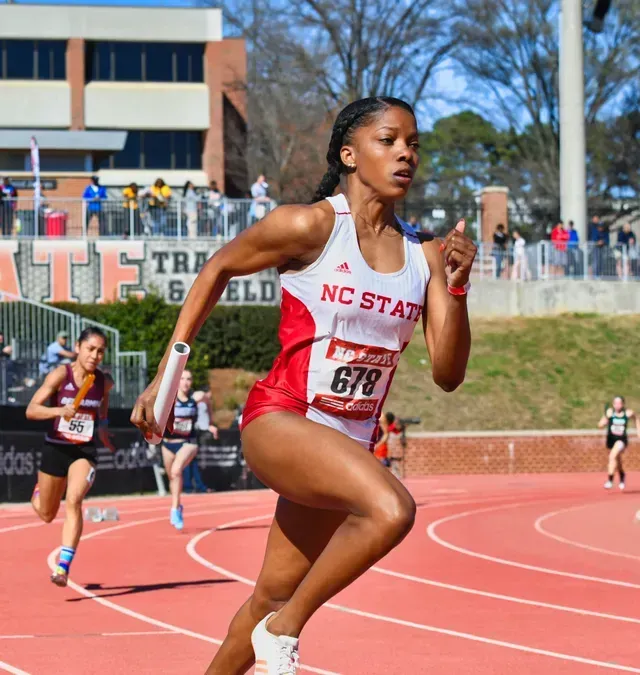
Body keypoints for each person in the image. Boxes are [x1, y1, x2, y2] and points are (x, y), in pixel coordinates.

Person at [131, 96, 476, 674]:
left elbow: (447, 374)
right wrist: (168, 374)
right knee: (392, 509)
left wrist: (460, 290)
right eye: (388, 140)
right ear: (349, 153)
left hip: (345, 442)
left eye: (413, 144)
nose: (405, 154)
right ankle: (285, 634)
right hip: (282, 419)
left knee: (270, 593)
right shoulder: (310, 225)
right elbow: (216, 268)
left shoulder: (427, 257)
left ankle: (271, 625)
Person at [26, 327, 114, 587]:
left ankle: (62, 568)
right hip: (56, 447)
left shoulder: (103, 381)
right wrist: (58, 411)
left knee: (74, 500)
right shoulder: (60, 375)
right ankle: (39, 492)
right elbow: (31, 409)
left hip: (83, 451)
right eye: (91, 349)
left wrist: (105, 427)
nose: (95, 356)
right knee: (46, 514)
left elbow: (104, 401)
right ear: (77, 347)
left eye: (100, 351)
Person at [160, 369, 209, 529]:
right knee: (172, 478)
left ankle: (174, 509)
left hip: (188, 442)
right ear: (177, 381)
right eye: (182, 379)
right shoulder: (170, 398)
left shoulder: (196, 397)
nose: (186, 382)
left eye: (189, 379)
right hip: (168, 443)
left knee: (176, 471)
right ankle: (178, 505)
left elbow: (208, 400)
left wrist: (211, 422)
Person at [598, 396, 639, 491]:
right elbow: (600, 425)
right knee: (617, 460)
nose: (617, 405)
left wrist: (638, 430)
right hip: (611, 439)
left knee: (612, 456)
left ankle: (610, 481)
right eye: (615, 403)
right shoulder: (610, 413)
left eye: (619, 403)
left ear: (623, 404)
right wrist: (605, 420)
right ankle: (622, 475)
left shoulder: (628, 413)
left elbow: (636, 418)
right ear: (613, 404)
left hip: (621, 440)